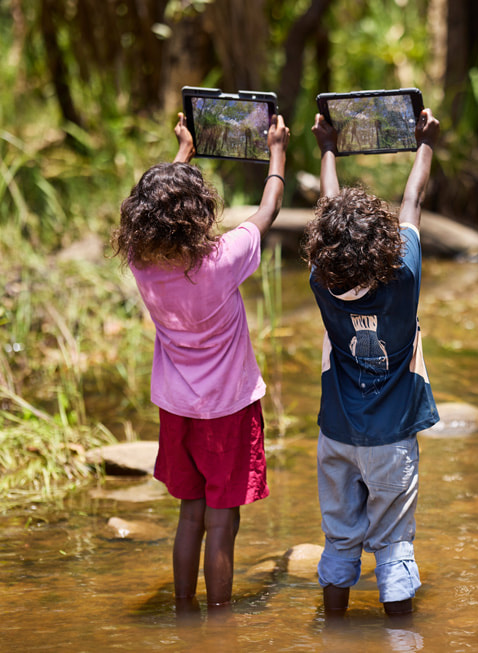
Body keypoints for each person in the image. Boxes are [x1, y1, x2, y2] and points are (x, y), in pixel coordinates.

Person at [112, 111, 290, 614]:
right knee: (221, 521)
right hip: (229, 410)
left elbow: (158, 217)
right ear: (199, 213)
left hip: (176, 409)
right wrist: (276, 150)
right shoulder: (222, 259)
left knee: (190, 515)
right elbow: (268, 209)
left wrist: (183, 152)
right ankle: (219, 625)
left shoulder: (141, 262)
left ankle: (185, 611)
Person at [303, 108, 441, 617]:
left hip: (336, 433)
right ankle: (401, 637)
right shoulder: (402, 275)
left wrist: (327, 149)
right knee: (393, 543)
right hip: (392, 438)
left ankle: (333, 631)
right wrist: (425, 143)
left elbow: (327, 206)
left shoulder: (320, 278)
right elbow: (413, 200)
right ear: (383, 242)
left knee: (340, 538)